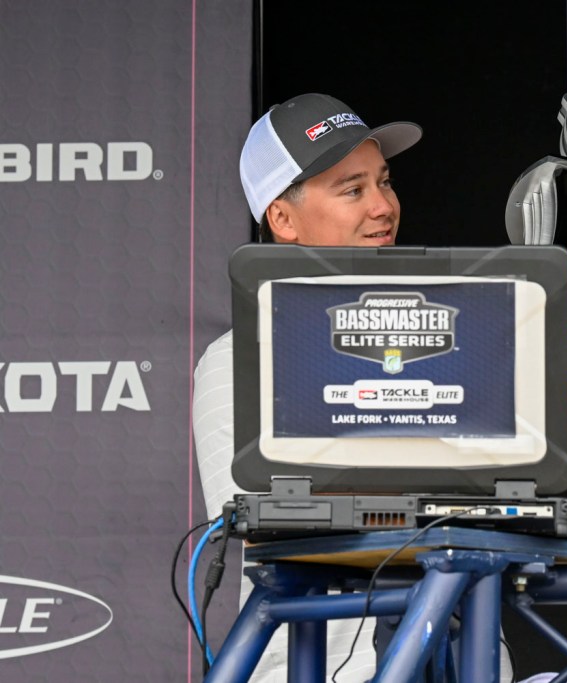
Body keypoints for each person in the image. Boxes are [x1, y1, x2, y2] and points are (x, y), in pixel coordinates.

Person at [192, 92, 421, 682]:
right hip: (319, 666)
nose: (383, 206)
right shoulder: (238, 357)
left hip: (463, 656)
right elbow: (262, 521)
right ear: (283, 219)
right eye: (352, 190)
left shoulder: (452, 330)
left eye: (384, 182)